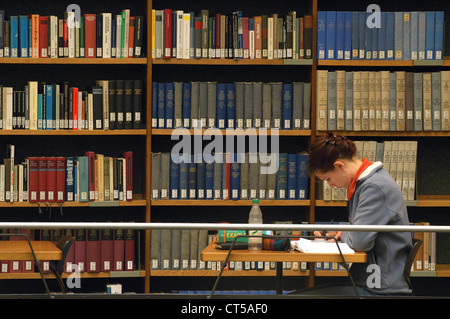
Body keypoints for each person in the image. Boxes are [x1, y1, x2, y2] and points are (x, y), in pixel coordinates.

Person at [295, 132, 413, 297]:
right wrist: (345, 233)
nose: (331, 185)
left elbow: (359, 242)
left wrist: (345, 233)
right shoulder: (367, 184)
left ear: (339, 166)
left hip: (381, 289)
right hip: (372, 283)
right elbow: (359, 233)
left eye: (328, 179)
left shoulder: (374, 187)